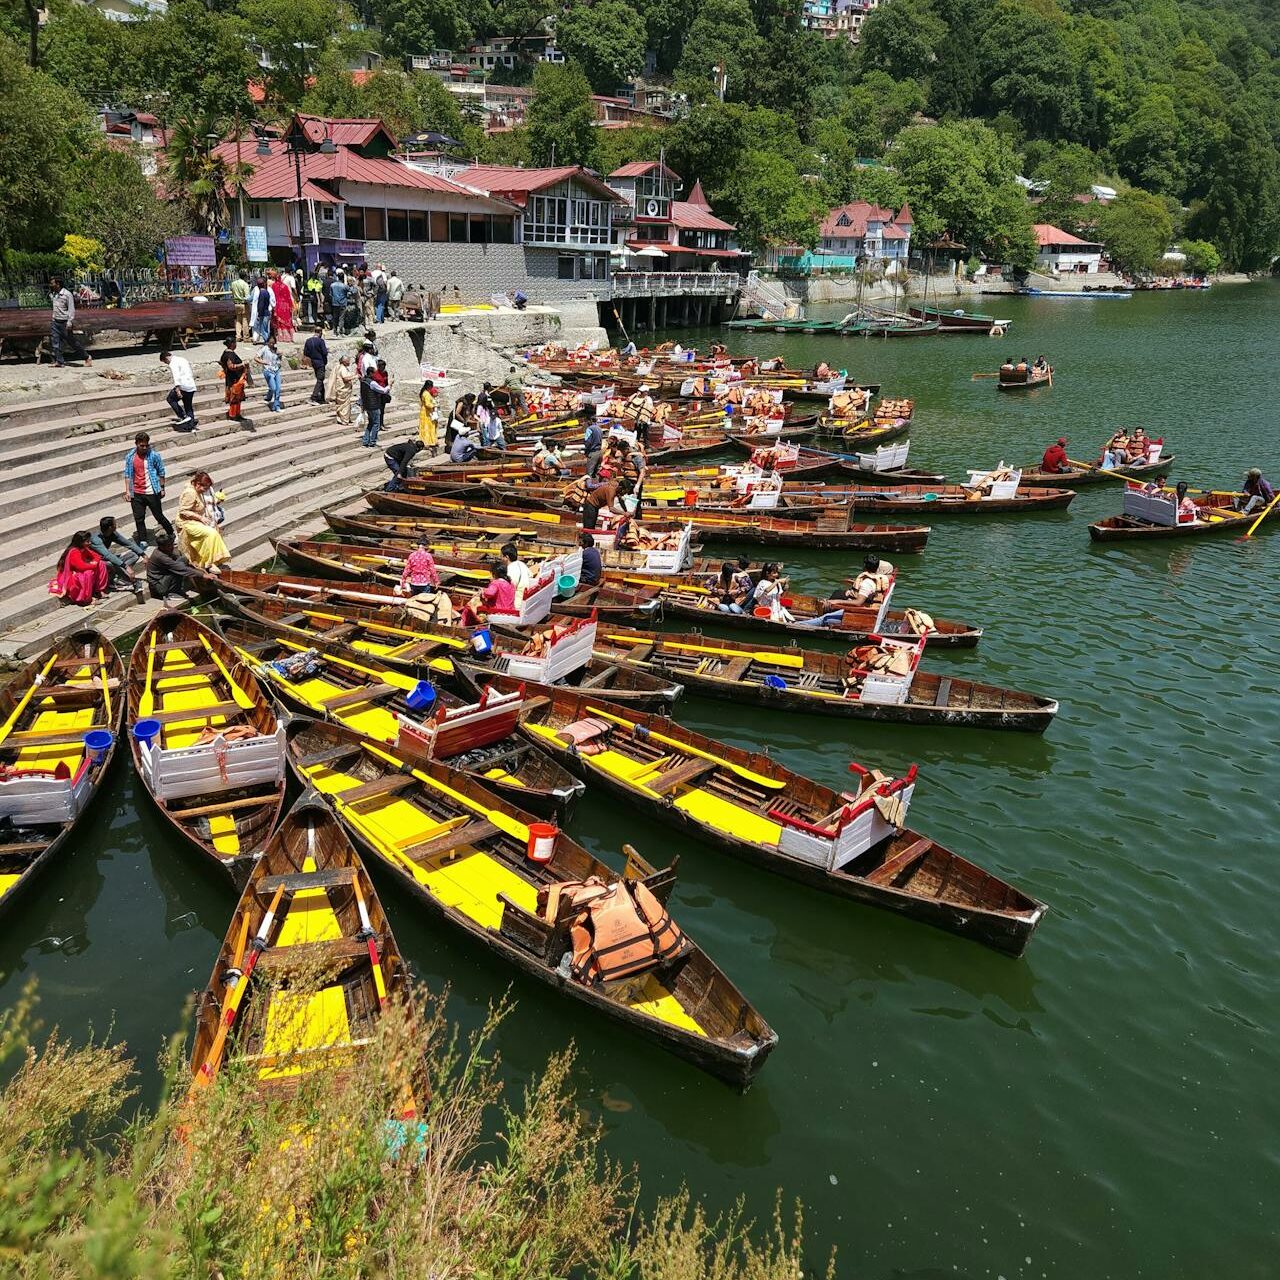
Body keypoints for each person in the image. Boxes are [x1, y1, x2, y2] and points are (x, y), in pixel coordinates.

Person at [122, 432, 171, 545]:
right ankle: (143, 540)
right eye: (142, 445)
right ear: (136, 444)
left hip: (152, 491)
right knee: (139, 518)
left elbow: (161, 472)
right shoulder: (130, 457)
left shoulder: (154, 456)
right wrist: (128, 491)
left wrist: (162, 488)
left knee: (158, 516)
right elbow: (128, 474)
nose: (144, 448)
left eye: (146, 445)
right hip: (137, 492)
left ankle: (170, 532)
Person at [175, 470, 230, 571]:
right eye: (205, 488)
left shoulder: (198, 490)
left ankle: (211, 561)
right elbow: (183, 511)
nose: (205, 490)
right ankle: (209, 562)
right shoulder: (190, 493)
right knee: (211, 533)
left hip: (196, 521)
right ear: (198, 484)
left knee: (214, 532)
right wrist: (200, 518)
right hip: (186, 523)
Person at [89, 516, 146, 597]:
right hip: (98, 561)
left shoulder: (113, 533)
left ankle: (120, 577)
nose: (117, 525)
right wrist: (126, 566)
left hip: (108, 558)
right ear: (110, 527)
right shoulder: (96, 539)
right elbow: (107, 555)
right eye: (115, 524)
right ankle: (127, 580)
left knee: (134, 555)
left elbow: (128, 543)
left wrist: (143, 555)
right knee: (110, 563)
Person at [146, 533, 205, 606]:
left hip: (164, 579)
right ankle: (172, 592)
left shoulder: (163, 550)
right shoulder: (160, 557)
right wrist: (203, 575)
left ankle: (179, 586)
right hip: (159, 585)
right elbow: (179, 568)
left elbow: (177, 557)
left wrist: (191, 563)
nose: (172, 547)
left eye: (172, 544)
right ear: (162, 547)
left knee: (183, 559)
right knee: (178, 568)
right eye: (169, 546)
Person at [51, 531, 109, 605]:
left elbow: (97, 556)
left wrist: (95, 562)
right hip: (72, 576)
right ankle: (87, 599)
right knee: (88, 573)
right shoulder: (74, 552)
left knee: (101, 564)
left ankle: (99, 590)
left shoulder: (84, 548)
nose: (90, 543)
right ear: (81, 542)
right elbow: (81, 567)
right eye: (87, 541)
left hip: (81, 569)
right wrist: (93, 564)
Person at [48, 276, 92, 368]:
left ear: (58, 284)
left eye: (52, 283)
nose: (51, 285)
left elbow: (71, 309)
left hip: (64, 322)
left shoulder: (67, 294)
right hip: (55, 322)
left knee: (72, 342)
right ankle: (59, 361)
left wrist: (70, 321)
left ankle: (87, 357)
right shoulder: (54, 294)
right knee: (55, 342)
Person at [160, 351, 198, 429]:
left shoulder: (173, 363)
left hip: (183, 386)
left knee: (170, 399)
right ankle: (191, 425)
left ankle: (183, 416)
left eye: (165, 362)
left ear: (166, 358)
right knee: (188, 406)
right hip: (191, 385)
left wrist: (177, 389)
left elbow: (176, 375)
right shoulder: (182, 359)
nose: (167, 363)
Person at [217, 339, 249, 421]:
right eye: (235, 343)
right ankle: (233, 415)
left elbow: (221, 362)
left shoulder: (225, 353)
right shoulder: (229, 354)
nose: (236, 344)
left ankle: (237, 414)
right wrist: (242, 364)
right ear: (232, 344)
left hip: (233, 378)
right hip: (233, 379)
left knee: (238, 398)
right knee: (234, 397)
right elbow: (231, 366)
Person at [256, 335, 283, 412]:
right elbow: (256, 357)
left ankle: (276, 406)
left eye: (273, 343)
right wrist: (263, 362)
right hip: (268, 370)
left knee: (278, 389)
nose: (271, 344)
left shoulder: (275, 349)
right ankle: (268, 397)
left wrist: (280, 356)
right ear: (268, 342)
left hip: (276, 370)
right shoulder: (264, 349)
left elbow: (278, 359)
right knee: (273, 388)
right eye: (270, 343)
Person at [302, 325, 328, 404]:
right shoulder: (321, 341)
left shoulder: (308, 341)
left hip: (313, 363)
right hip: (321, 363)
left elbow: (306, 353)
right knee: (320, 380)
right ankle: (314, 397)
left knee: (320, 380)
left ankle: (322, 398)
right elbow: (324, 352)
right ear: (320, 332)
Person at [328, 355, 356, 425]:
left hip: (343, 390)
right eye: (348, 361)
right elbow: (345, 378)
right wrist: (355, 377)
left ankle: (344, 419)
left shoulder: (341, 367)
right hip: (343, 390)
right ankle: (344, 420)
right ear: (344, 362)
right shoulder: (342, 369)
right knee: (345, 406)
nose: (349, 362)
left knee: (344, 405)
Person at [270, 270, 294, 342]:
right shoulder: (285, 286)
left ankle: (280, 337)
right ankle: (288, 337)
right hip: (285, 305)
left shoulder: (273, 286)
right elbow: (288, 297)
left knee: (279, 322)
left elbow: (272, 296)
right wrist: (291, 306)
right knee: (286, 321)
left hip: (277, 305)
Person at [250, 275, 274, 343]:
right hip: (267, 312)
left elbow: (261, 305)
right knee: (266, 329)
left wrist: (258, 315)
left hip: (263, 313)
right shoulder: (266, 291)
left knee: (263, 330)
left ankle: (268, 342)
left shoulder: (262, 293)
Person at [418, 379, 438, 454]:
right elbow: (427, 404)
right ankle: (427, 442)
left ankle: (431, 440)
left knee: (430, 426)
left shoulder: (425, 392)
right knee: (427, 427)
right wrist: (434, 405)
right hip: (426, 412)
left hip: (426, 411)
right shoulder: (426, 393)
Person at [231, 270, 251, 340]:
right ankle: (246, 336)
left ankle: (238, 336)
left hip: (236, 304)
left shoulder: (233, 283)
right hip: (243, 304)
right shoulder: (245, 284)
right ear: (245, 276)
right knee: (245, 320)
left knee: (238, 320)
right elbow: (247, 296)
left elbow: (232, 293)